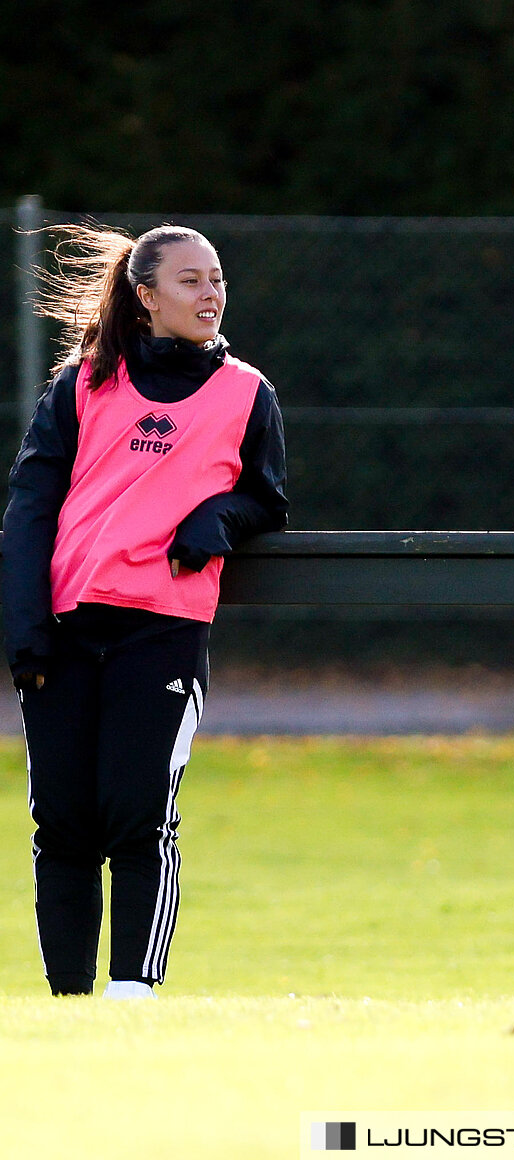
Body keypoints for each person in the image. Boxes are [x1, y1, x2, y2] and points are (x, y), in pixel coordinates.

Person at [2, 223, 289, 998]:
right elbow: (30, 511)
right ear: (146, 295)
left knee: (137, 818)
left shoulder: (246, 393)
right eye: (191, 280)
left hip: (161, 632)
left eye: (217, 278)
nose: (211, 293)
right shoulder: (82, 386)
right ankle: (68, 1003)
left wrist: (218, 519)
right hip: (63, 635)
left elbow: (268, 498)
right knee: (61, 825)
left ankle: (133, 996)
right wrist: (26, 635)